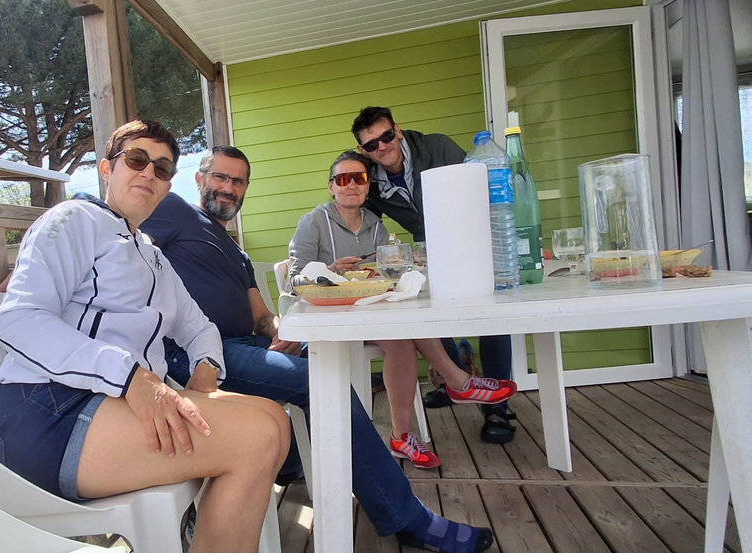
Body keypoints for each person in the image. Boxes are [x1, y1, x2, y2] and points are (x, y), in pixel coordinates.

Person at [142, 145, 495, 553]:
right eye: (220, 177)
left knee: (325, 365)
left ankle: (288, 461)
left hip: (246, 344)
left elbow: (261, 314)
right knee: (320, 383)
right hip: (199, 354)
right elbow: (111, 215)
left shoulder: (236, 251)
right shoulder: (175, 212)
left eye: (238, 181)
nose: (228, 188)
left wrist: (284, 331)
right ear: (199, 179)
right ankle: (408, 519)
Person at [0, 120, 290, 553]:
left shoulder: (150, 253)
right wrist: (132, 377)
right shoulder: (74, 220)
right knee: (255, 437)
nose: (149, 172)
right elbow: (18, 319)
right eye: (136, 159)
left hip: (112, 407)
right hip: (50, 413)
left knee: (274, 420)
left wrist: (206, 373)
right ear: (107, 169)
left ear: (168, 186)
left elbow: (199, 326)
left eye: (162, 168)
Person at [286, 150, 516, 469]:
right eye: (343, 179)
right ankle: (457, 384)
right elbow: (295, 279)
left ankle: (405, 435)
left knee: (407, 330)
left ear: (367, 185)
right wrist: (330, 270)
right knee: (400, 338)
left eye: (359, 178)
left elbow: (384, 273)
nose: (351, 185)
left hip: (371, 310)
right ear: (331, 186)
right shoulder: (313, 222)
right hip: (332, 319)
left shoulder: (375, 225)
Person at [352, 105, 520, 444]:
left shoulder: (437, 147)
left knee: (491, 317)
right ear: (363, 149)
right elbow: (364, 222)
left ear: (398, 130)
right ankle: (452, 378)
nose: (382, 146)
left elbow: (477, 188)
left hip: (473, 240)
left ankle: (497, 408)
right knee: (426, 309)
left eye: (387, 136)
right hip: (428, 251)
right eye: (371, 144)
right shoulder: (370, 180)